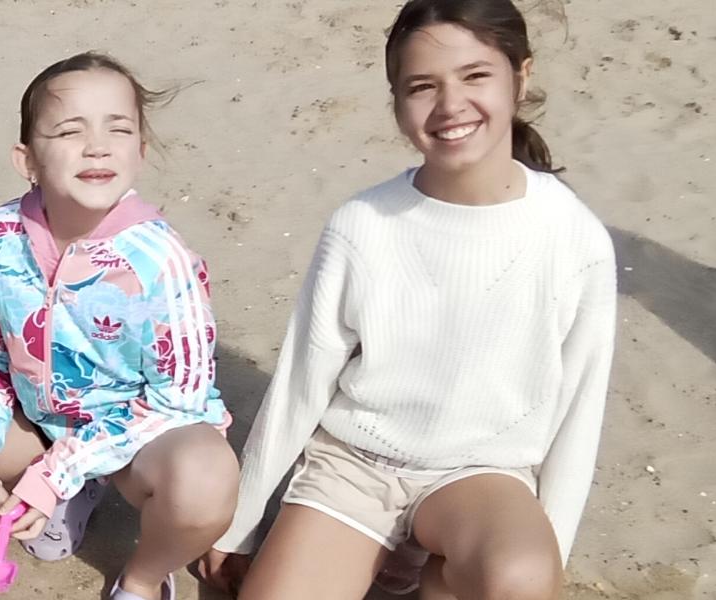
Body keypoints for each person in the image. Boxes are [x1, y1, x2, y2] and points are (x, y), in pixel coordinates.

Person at [198, 1, 618, 598]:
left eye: (476, 76)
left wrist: (548, 560)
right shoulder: (363, 224)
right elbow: (300, 383)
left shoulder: (575, 238)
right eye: (423, 86)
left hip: (481, 479)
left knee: (517, 577)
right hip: (354, 469)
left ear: (520, 77)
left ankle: (441, 575)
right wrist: (240, 524)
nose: (450, 105)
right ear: (396, 101)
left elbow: (579, 414)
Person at [0, 53, 237, 600]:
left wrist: (54, 475)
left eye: (118, 129)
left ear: (140, 151)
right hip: (40, 418)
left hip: (139, 439)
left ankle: (140, 579)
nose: (97, 146)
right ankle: (72, 489)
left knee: (205, 483)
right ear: (27, 160)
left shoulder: (161, 262)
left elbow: (178, 402)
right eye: (70, 131)